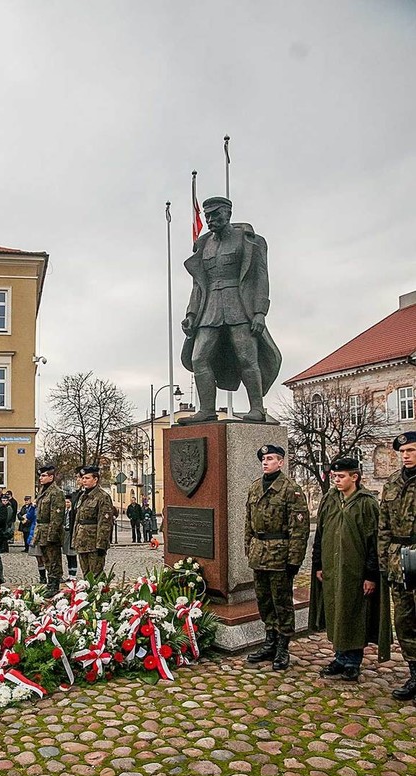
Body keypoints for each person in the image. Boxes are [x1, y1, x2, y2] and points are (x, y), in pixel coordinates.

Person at [181, 197, 281, 423]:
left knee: (247, 357)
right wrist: (191, 314)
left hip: (240, 306)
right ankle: (207, 409)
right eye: (207, 216)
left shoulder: (249, 241)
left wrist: (260, 312)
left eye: (215, 215)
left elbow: (260, 278)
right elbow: (198, 285)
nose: (210, 220)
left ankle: (257, 408)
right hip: (209, 309)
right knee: (199, 358)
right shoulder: (204, 244)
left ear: (228, 214)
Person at [310, 457, 391, 681]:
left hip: (355, 571)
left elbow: (375, 541)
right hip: (332, 569)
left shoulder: (367, 503)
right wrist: (318, 564)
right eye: (334, 476)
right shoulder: (330, 499)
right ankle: (339, 657)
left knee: (354, 614)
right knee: (336, 611)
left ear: (354, 477)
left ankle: (353, 661)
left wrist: (371, 575)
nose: (336, 480)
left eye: (341, 476)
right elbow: (320, 534)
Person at [245, 444, 310, 670]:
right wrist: (249, 548)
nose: (266, 462)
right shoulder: (255, 488)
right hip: (259, 553)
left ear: (281, 462)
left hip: (280, 556)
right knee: (263, 601)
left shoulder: (291, 489)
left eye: (271, 458)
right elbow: (248, 523)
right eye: (263, 458)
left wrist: (294, 560)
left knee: (281, 603)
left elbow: (299, 530)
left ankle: (283, 646)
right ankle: (269, 642)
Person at [378, 431, 416, 700]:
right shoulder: (391, 484)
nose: (406, 455)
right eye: (403, 452)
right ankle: (414, 673)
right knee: (404, 621)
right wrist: (383, 561)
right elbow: (383, 527)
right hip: (398, 561)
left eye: (411, 450)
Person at [72, 465, 114, 578]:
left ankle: (100, 594)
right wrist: (74, 540)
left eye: (87, 478)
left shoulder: (102, 497)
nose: (84, 481)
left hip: (94, 542)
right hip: (82, 541)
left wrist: (101, 545)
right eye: (83, 478)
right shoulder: (82, 496)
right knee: (86, 575)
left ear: (95, 479)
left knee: (96, 575)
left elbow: (105, 523)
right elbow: (78, 520)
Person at [31, 465, 65, 597]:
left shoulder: (56, 492)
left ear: (51, 477)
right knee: (46, 560)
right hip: (41, 531)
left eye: (44, 476)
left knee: (53, 560)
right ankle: (50, 583)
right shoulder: (43, 491)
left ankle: (54, 584)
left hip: (50, 532)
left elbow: (56, 517)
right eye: (40, 476)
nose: (41, 478)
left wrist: (52, 535)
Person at [62, 493, 78, 580]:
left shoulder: (73, 512)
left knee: (72, 554)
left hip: (71, 533)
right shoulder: (64, 512)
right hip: (65, 534)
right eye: (65, 502)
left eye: (68, 502)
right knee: (67, 555)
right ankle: (69, 573)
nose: (67, 504)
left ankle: (74, 574)